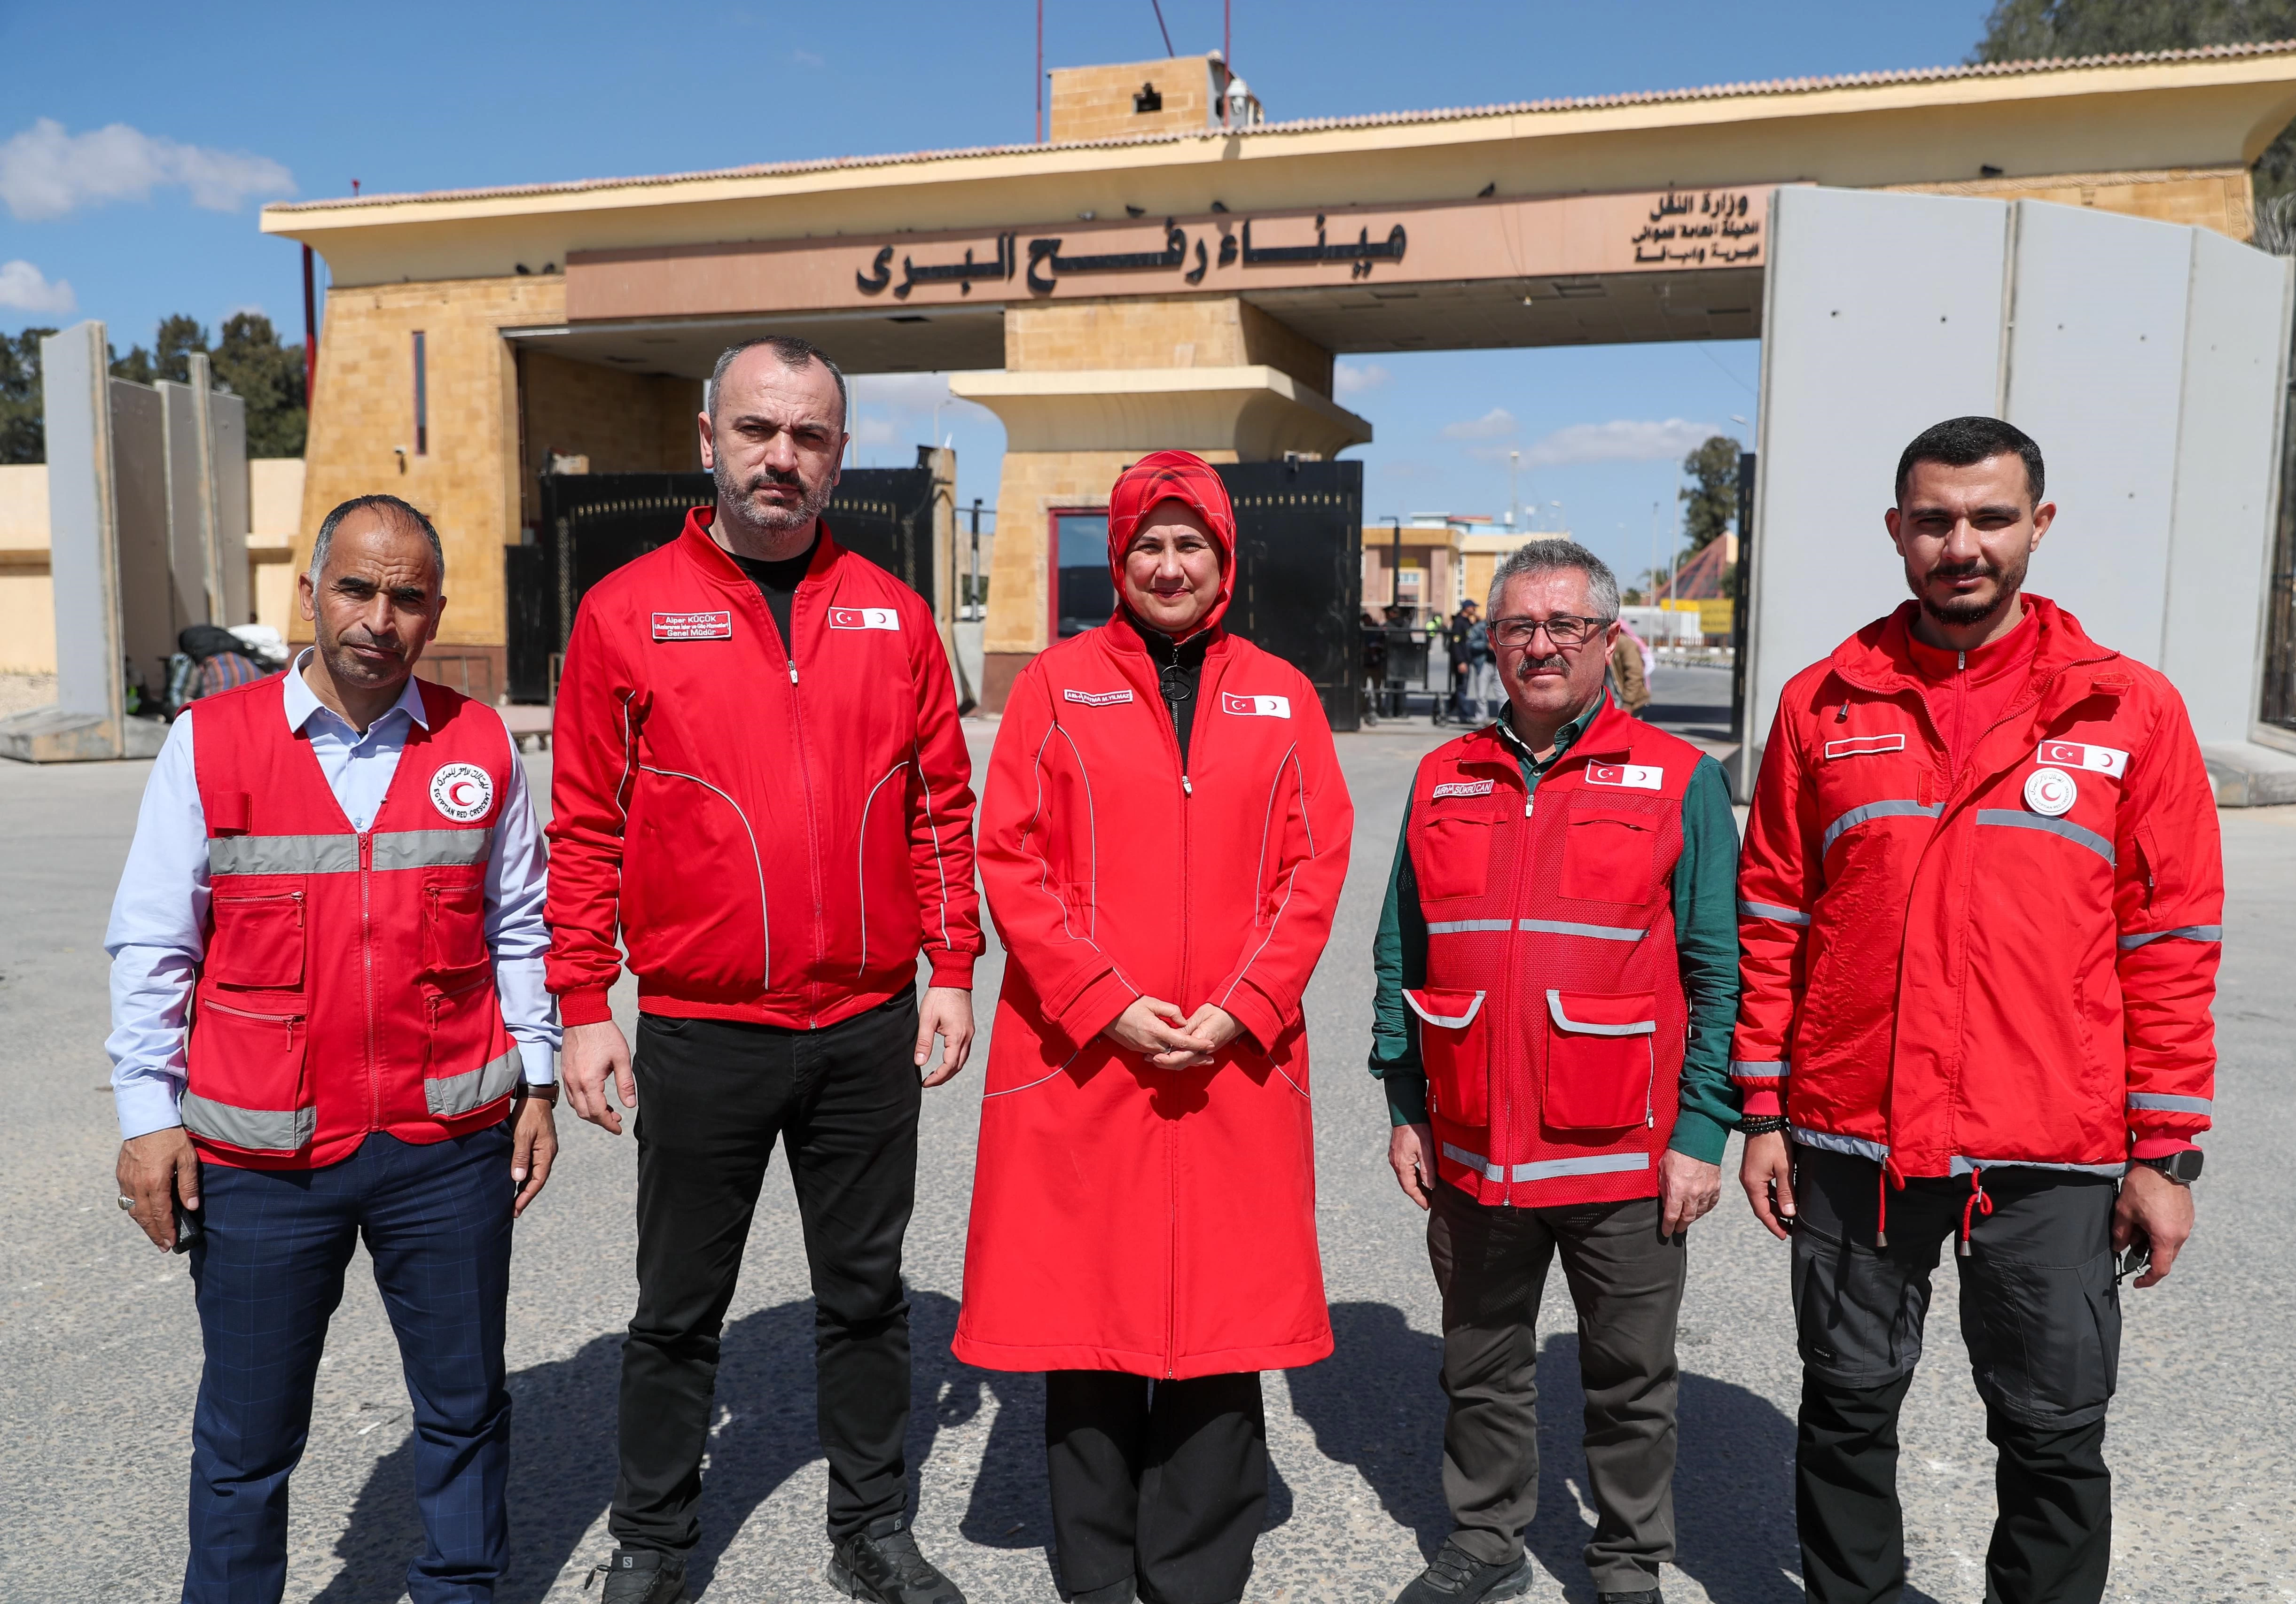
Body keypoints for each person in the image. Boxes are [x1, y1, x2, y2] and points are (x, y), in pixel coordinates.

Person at [1733, 416, 2221, 1604]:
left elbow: (2170, 942)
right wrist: (1760, 1108)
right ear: (1897, 530)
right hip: (1855, 1130)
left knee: (2053, 1421)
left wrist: (2163, 1153)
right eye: (1935, 519)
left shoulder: (2127, 711)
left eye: (1990, 518)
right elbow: (1772, 918)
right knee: (1847, 1401)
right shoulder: (1823, 701)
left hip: (2050, 1140)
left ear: (2036, 526)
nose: (1962, 544)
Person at [546, 336, 985, 1604]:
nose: (780, 456)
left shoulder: (895, 616)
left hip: (864, 1025)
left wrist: (949, 967)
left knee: (865, 1295)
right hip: (702, 1026)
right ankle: (654, 1539)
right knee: (678, 1306)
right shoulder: (626, 612)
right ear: (707, 437)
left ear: (839, 455)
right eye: (758, 430)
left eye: (807, 435)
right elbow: (584, 823)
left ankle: (873, 1527)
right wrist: (584, 1003)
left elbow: (940, 808)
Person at [105, 494, 560, 1604]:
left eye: (407, 597)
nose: (378, 617)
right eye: (356, 587)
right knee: (248, 1438)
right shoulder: (209, 741)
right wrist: (146, 1116)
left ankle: (461, 1587)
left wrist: (537, 1075)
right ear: (308, 594)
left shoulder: (478, 741)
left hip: (445, 1145)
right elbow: (154, 942)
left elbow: (519, 921)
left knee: (462, 1412)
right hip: (263, 1163)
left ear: (435, 612)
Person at [957, 450, 1355, 1604]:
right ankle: (1094, 1569)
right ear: (1116, 560)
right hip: (1086, 1059)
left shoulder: (1282, 694)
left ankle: (1192, 1570)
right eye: (1147, 543)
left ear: (1223, 558)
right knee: (1083, 1328)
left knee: (1220, 1331)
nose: (1169, 563)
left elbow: (1312, 865)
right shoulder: (1053, 686)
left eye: (1191, 543)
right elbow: (1012, 859)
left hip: (1233, 1062)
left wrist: (1244, 1007)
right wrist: (1103, 1001)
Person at [1370, 537, 1742, 1604]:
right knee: (1480, 1359)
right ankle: (1485, 1537)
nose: (1540, 645)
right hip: (1476, 1137)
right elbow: (1406, 946)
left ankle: (1627, 1559)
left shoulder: (1678, 779)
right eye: (1518, 626)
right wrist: (1408, 1103)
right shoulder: (1444, 775)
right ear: (1489, 642)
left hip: (1621, 1145)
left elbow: (1720, 966)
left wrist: (1701, 1130)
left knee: (1629, 1377)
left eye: (1564, 625)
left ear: (1604, 638)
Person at [1608, 623, 1651, 715]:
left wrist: (1627, 703)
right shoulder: (1601, 643)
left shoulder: (1625, 644)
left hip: (1624, 701)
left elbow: (1635, 675)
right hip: (1611, 703)